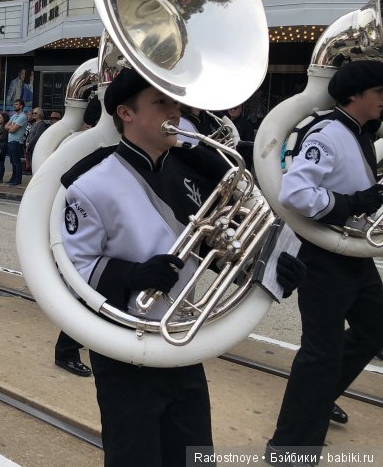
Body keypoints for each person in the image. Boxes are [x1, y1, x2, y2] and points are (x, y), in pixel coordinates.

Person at [61, 68, 305, 467]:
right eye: (161, 103)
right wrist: (131, 275)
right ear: (125, 112)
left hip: (181, 342)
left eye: (175, 103)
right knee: (133, 458)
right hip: (124, 345)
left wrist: (267, 271)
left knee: (194, 455)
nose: (175, 112)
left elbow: (218, 243)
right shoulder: (90, 183)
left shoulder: (191, 170)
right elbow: (73, 271)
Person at [266, 60, 383, 465]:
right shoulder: (328, 133)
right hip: (323, 256)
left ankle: (319, 398)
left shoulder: (357, 131)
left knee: (374, 330)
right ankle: (289, 449)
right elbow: (296, 194)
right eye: (379, 92)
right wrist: (353, 203)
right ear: (355, 96)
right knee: (321, 352)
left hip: (351, 254)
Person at [4, 99, 28, 186]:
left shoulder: (22, 117)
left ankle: (18, 180)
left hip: (17, 142)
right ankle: (13, 178)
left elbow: (13, 130)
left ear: (21, 106)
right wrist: (11, 127)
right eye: (14, 104)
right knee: (13, 162)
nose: (14, 106)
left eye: (16, 104)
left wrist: (11, 127)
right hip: (10, 141)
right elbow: (6, 125)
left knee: (17, 162)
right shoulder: (14, 116)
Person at [24, 107, 49, 174]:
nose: (33, 114)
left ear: (40, 114)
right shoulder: (34, 123)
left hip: (35, 147)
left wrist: (29, 144)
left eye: (35, 113)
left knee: (35, 164)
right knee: (31, 163)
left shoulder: (41, 124)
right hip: (30, 147)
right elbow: (30, 134)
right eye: (33, 113)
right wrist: (27, 143)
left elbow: (37, 135)